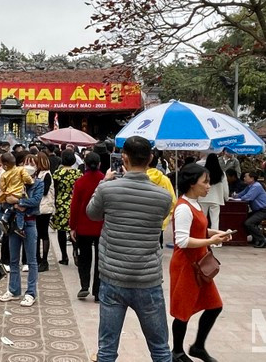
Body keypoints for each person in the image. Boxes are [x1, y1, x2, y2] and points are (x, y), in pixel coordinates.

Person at [85, 136, 173, 362]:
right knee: (161, 349)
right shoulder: (164, 196)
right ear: (151, 158)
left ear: (123, 157)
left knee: (106, 350)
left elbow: (92, 214)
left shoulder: (108, 190)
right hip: (148, 279)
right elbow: (159, 220)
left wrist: (104, 182)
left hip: (113, 278)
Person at [170, 163, 232, 362]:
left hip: (199, 264)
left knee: (214, 305)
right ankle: (177, 352)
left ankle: (197, 346)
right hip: (186, 265)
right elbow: (182, 240)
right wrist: (211, 241)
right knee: (183, 311)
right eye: (205, 182)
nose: (208, 186)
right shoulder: (183, 208)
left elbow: (198, 231)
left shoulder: (195, 204)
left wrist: (216, 234)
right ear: (191, 184)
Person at [0, 164, 44, 307]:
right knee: (13, 260)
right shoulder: (14, 181)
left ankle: (31, 293)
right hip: (13, 224)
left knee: (31, 260)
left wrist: (18, 202)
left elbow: (35, 201)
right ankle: (14, 289)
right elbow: (4, 200)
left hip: (30, 223)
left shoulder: (38, 183)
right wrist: (14, 204)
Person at [69, 152, 104, 300]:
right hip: (102, 225)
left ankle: (84, 286)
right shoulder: (105, 180)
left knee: (84, 257)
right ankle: (98, 290)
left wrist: (72, 226)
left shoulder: (80, 182)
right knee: (100, 259)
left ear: (85, 163)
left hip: (83, 225)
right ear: (100, 163)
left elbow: (75, 205)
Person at [50, 150, 82, 265]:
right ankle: (75, 251)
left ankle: (64, 256)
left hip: (61, 203)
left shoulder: (58, 173)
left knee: (61, 231)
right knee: (74, 229)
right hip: (74, 203)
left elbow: (55, 189)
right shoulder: (78, 173)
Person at [0, 152, 34, 238]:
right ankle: (19, 227)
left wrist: (7, 190)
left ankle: (4, 219)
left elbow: (2, 187)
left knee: (11, 208)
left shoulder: (4, 175)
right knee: (20, 211)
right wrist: (31, 182)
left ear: (5, 165)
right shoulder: (20, 169)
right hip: (19, 194)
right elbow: (27, 178)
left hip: (9, 194)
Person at [28, 152, 55, 273]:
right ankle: (37, 258)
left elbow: (44, 191)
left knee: (43, 233)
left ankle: (44, 260)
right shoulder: (38, 174)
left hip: (44, 208)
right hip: (38, 206)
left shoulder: (46, 175)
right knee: (37, 233)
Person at [234, 171, 266, 248]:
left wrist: (240, 198)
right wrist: (234, 196)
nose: (244, 178)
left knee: (249, 223)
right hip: (257, 211)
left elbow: (248, 197)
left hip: (264, 210)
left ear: (252, 178)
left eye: (246, 177)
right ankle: (256, 238)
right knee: (242, 220)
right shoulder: (249, 186)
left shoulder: (256, 186)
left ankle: (263, 240)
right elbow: (241, 194)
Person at [198, 153, 229, 240]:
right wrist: (226, 197)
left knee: (202, 220)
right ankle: (217, 240)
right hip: (216, 199)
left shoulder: (203, 173)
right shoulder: (221, 173)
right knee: (215, 220)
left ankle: (201, 238)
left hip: (202, 198)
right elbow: (225, 188)